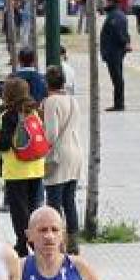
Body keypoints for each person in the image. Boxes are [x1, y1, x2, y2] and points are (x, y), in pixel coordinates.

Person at [0, 77, 45, 257]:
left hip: (16, 171)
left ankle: (23, 245)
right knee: (33, 208)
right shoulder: (34, 111)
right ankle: (35, 242)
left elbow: (4, 144)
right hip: (36, 168)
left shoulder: (8, 115)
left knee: (19, 212)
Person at [42, 66, 84, 254]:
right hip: (75, 152)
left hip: (58, 156)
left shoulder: (51, 102)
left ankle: (57, 244)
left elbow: (51, 134)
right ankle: (74, 243)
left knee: (54, 202)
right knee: (69, 200)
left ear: (47, 83)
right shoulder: (72, 100)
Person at [99, 0, 130, 112]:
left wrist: (125, 43)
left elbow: (119, 33)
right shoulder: (117, 15)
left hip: (114, 52)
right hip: (114, 51)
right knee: (117, 78)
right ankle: (118, 103)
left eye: (107, 1)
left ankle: (119, 104)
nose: (105, 3)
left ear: (112, 2)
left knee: (117, 79)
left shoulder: (115, 17)